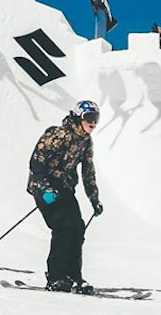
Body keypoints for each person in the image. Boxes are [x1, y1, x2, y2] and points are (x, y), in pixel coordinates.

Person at [26, 100, 103, 294]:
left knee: (77, 228)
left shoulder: (85, 141)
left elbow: (88, 172)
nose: (93, 123)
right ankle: (56, 277)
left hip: (65, 187)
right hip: (44, 186)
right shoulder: (58, 134)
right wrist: (44, 188)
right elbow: (36, 161)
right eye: (89, 118)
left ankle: (74, 277)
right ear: (78, 118)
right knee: (63, 225)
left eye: (96, 118)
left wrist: (94, 198)